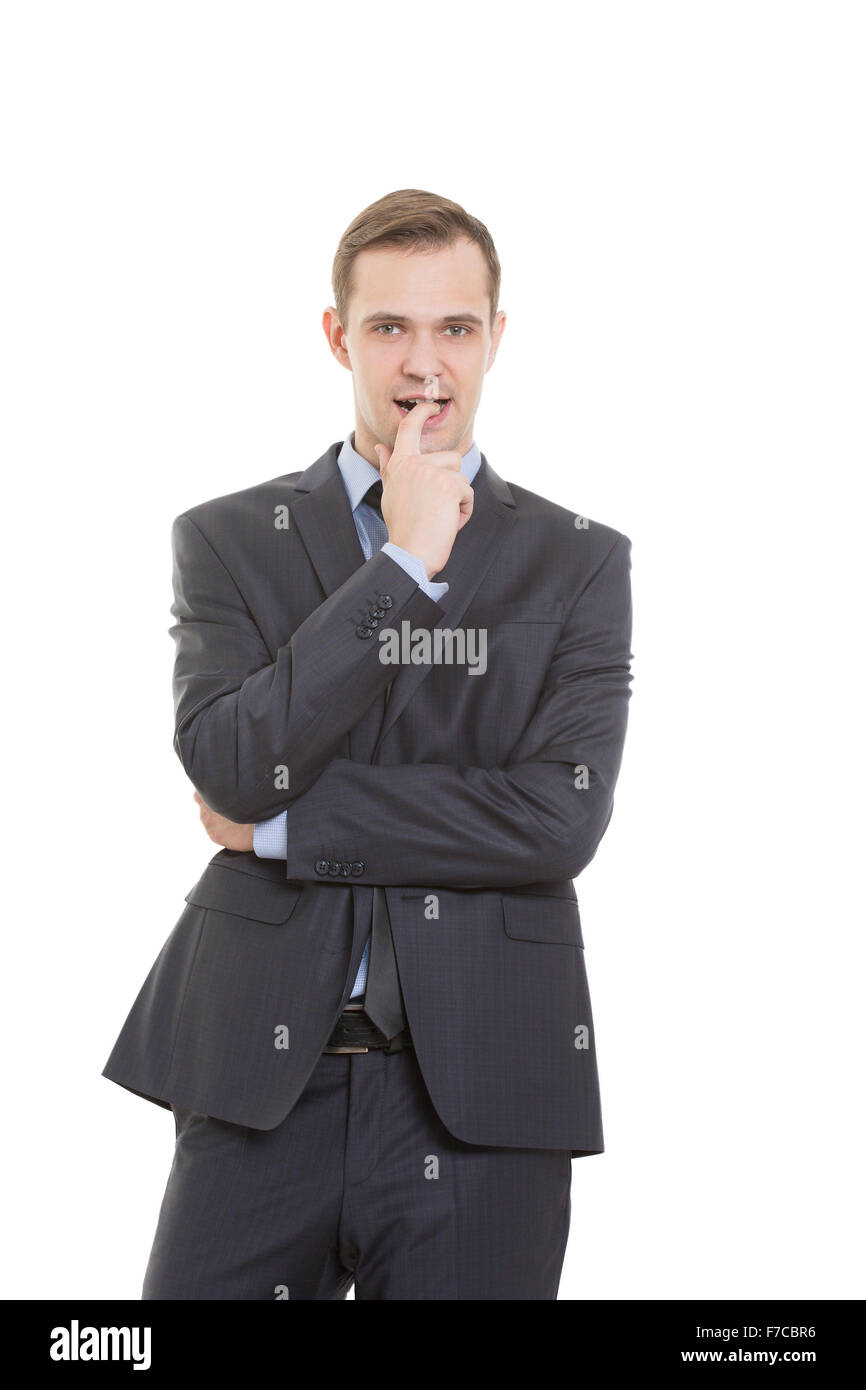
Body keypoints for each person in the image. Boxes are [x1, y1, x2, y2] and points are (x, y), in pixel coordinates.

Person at [102, 187, 634, 1301]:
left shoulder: (577, 563)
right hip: (259, 1084)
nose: (423, 362)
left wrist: (292, 827)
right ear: (339, 336)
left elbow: (556, 820)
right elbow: (231, 766)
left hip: (486, 1091)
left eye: (455, 327)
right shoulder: (229, 539)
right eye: (390, 326)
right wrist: (397, 568)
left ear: (496, 338)